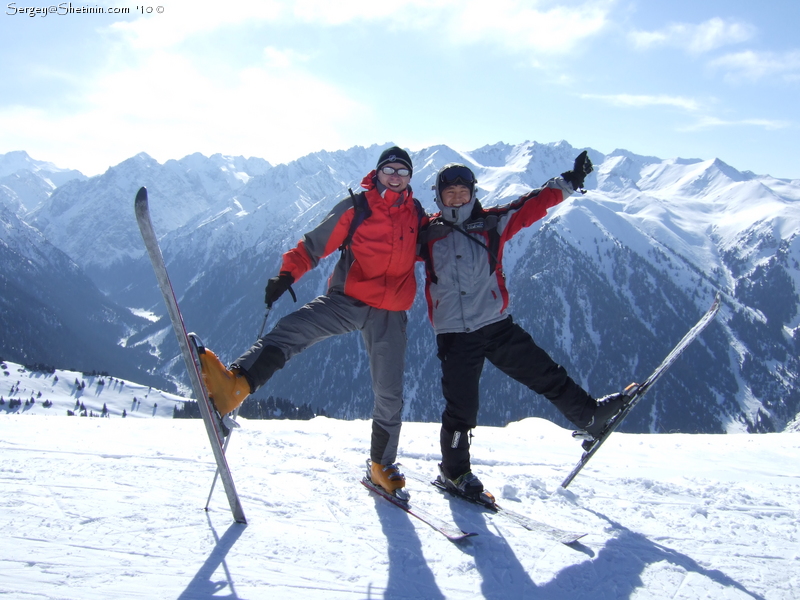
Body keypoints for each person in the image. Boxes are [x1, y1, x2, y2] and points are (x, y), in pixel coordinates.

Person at [199, 146, 426, 499]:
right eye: (389, 170)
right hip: (348, 301)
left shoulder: (416, 214)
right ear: (377, 173)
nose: (395, 176)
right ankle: (235, 385)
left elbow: (437, 244)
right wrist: (287, 275)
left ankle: (381, 465)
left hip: (390, 313)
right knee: (293, 330)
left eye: (403, 171)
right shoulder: (357, 207)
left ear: (410, 178)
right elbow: (314, 245)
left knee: (390, 392)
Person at [419, 152, 627, 499]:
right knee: (461, 410)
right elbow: (389, 245)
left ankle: (590, 417)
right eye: (449, 193)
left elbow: (532, 205)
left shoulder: (492, 223)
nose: (457, 198)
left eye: (463, 192)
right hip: (454, 337)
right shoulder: (426, 234)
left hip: (496, 326)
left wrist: (570, 181)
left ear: (473, 193)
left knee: (546, 374)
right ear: (438, 197)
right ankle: (454, 472)